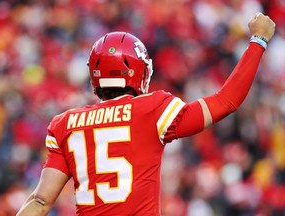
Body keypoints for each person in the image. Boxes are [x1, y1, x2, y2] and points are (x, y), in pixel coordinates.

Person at [16, 12, 275, 216]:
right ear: (138, 72)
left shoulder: (65, 123)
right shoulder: (151, 109)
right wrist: (258, 42)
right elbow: (226, 101)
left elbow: (40, 200)